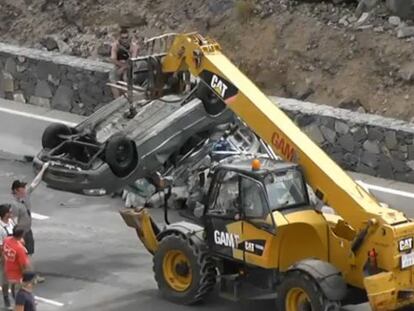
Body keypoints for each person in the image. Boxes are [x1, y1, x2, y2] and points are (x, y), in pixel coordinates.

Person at [11, 162, 49, 283]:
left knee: (29, 254)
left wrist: (43, 169)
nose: (24, 188)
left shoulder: (26, 195)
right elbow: (13, 221)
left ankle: (28, 275)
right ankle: (30, 276)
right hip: (21, 233)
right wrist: (16, 237)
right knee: (25, 256)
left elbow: (35, 183)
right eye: (22, 187)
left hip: (28, 230)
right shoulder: (15, 205)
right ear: (16, 190)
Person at [109, 27, 139, 98]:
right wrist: (122, 66)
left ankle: (128, 98)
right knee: (112, 78)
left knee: (126, 78)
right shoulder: (115, 46)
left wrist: (123, 68)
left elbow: (133, 61)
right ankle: (117, 99)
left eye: (126, 38)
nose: (125, 40)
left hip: (130, 65)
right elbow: (113, 59)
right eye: (123, 38)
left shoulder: (134, 47)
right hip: (119, 64)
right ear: (120, 38)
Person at [3, 227, 31, 300]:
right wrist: (25, 275)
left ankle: (14, 299)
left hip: (8, 268)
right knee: (20, 292)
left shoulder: (7, 240)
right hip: (17, 274)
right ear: (21, 235)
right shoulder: (19, 249)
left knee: (13, 287)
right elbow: (23, 265)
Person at [0, 204, 15, 310]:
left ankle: (16, 297)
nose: (11, 213)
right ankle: (6, 298)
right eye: (10, 212)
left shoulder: (10, 222)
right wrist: (4, 258)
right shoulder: (0, 228)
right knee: (5, 279)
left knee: (15, 277)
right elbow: (0, 246)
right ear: (5, 214)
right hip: (5, 254)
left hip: (14, 253)